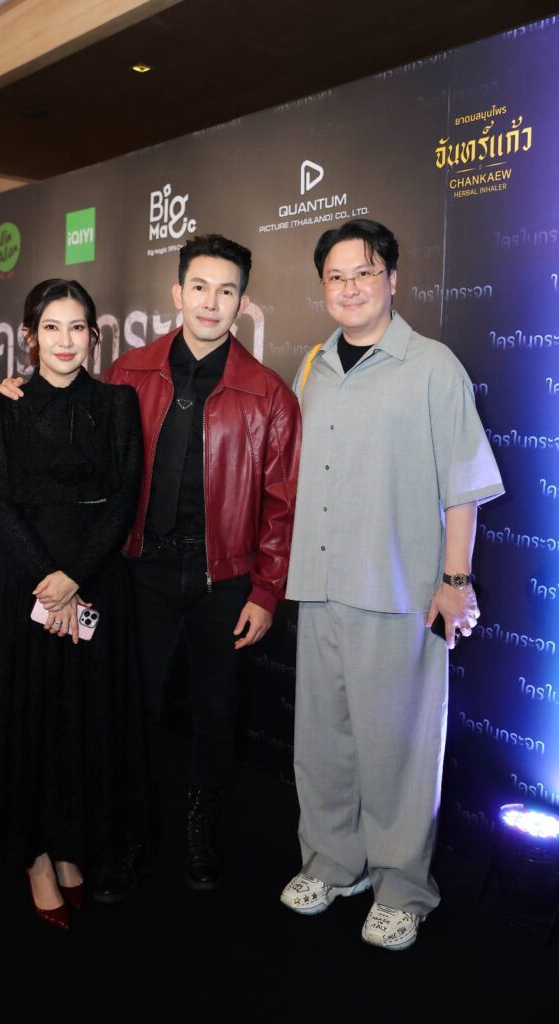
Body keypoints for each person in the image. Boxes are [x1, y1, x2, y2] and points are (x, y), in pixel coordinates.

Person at [0, 235, 301, 898]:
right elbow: (76, 434)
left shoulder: (269, 393)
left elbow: (282, 504)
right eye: (200, 287)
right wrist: (17, 388)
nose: (211, 302)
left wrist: (267, 590)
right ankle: (128, 834)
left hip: (226, 579)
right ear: (177, 293)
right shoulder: (128, 372)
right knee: (131, 707)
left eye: (226, 290)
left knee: (215, 709)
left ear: (242, 302)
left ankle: (200, 830)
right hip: (139, 572)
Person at [280, 219, 504, 950]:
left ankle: (402, 889)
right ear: (323, 286)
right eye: (336, 276)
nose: (350, 288)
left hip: (401, 591)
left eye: (365, 273)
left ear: (393, 280)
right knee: (322, 744)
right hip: (320, 585)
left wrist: (454, 581)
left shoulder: (433, 366)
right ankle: (332, 863)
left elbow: (462, 488)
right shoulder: (313, 366)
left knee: (399, 753)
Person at [0, 278, 145, 931]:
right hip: (25, 583)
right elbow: (0, 504)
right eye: (51, 327)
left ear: (94, 336)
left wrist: (76, 577)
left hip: (97, 580)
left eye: (77, 328)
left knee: (82, 720)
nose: (65, 341)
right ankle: (36, 856)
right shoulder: (2, 406)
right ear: (29, 336)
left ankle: (71, 842)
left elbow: (124, 499)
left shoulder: (118, 402)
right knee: (30, 721)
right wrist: (49, 577)